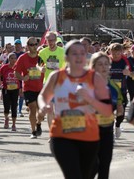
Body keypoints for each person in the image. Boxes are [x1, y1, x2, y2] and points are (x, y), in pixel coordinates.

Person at [38, 40, 112, 179]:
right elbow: (43, 96)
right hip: (61, 135)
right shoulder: (57, 76)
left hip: (89, 137)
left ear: (86, 57)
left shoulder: (95, 78)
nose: (78, 57)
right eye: (74, 54)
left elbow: (107, 111)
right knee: (73, 175)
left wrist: (89, 99)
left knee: (85, 175)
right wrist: (43, 106)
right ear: (66, 57)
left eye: (82, 53)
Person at [89, 52, 120, 179]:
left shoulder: (113, 85)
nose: (104, 67)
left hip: (107, 131)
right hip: (89, 131)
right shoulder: (87, 84)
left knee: (104, 166)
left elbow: (118, 104)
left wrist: (120, 109)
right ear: (93, 67)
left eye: (106, 64)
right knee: (92, 167)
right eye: (100, 64)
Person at [14, 37, 44, 138]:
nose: (34, 47)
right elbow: (16, 73)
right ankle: (33, 131)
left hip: (41, 87)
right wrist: (23, 77)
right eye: (31, 45)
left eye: (35, 44)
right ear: (27, 46)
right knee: (32, 108)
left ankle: (38, 123)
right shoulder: (22, 58)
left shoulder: (41, 57)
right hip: (28, 88)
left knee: (41, 111)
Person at [38, 32, 66, 130]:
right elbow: (38, 64)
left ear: (56, 40)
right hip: (48, 83)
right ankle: (52, 133)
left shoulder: (63, 51)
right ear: (46, 40)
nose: (50, 42)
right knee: (50, 109)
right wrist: (40, 68)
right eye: (48, 40)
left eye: (52, 40)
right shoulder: (42, 52)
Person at [109, 43, 133, 138]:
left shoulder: (125, 61)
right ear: (110, 52)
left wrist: (129, 73)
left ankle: (118, 126)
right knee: (108, 113)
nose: (115, 56)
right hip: (109, 92)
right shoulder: (106, 60)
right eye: (113, 53)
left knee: (120, 113)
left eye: (118, 54)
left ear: (121, 52)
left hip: (122, 91)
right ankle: (110, 132)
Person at [0, 52, 19, 130]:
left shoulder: (18, 67)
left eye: (14, 58)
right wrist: (0, 84)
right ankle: (6, 119)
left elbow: (21, 78)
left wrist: (21, 89)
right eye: (11, 58)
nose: (13, 60)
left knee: (14, 106)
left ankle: (13, 124)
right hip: (6, 89)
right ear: (8, 59)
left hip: (15, 89)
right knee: (6, 106)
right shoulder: (4, 67)